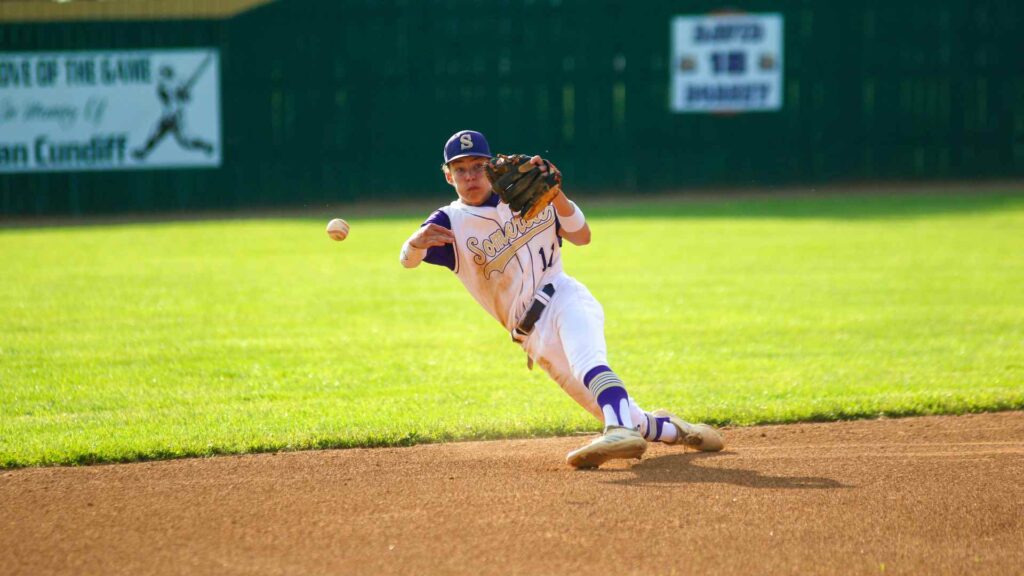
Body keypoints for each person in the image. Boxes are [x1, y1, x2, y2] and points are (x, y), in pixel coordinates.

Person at [399, 129, 723, 468]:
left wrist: (557, 196)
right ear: (448, 175)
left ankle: (618, 429)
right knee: (624, 413)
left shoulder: (530, 194)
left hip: (563, 297)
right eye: (460, 168)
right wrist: (417, 242)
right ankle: (678, 430)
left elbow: (582, 236)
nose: (470, 176)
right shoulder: (449, 222)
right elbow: (407, 260)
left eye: (478, 166)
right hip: (532, 338)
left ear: (491, 166)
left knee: (589, 365)